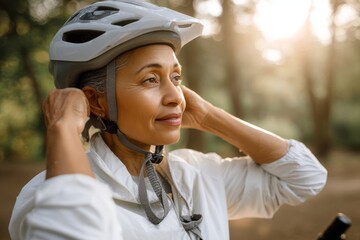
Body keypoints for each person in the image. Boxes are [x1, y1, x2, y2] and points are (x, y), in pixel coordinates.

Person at [9, 0, 327, 239]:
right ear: (96, 101)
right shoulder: (44, 194)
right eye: (150, 79)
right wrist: (64, 129)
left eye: (176, 77)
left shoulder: (198, 173)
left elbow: (306, 177)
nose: (176, 96)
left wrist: (208, 115)